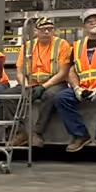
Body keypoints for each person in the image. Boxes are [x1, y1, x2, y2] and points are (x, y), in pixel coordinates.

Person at [54, 11, 96, 154]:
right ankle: (80, 135)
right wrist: (76, 88)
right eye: (89, 21)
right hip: (84, 86)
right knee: (61, 98)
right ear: (83, 26)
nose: (93, 23)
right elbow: (72, 70)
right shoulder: (77, 45)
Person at [25, 15, 71, 145]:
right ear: (35, 31)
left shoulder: (62, 45)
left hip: (56, 83)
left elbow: (63, 73)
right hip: (32, 83)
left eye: (50, 29)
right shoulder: (28, 46)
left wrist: (44, 86)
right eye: (43, 29)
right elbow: (20, 71)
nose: (47, 32)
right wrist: (25, 85)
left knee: (50, 96)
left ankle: (37, 132)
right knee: (9, 96)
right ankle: (20, 133)